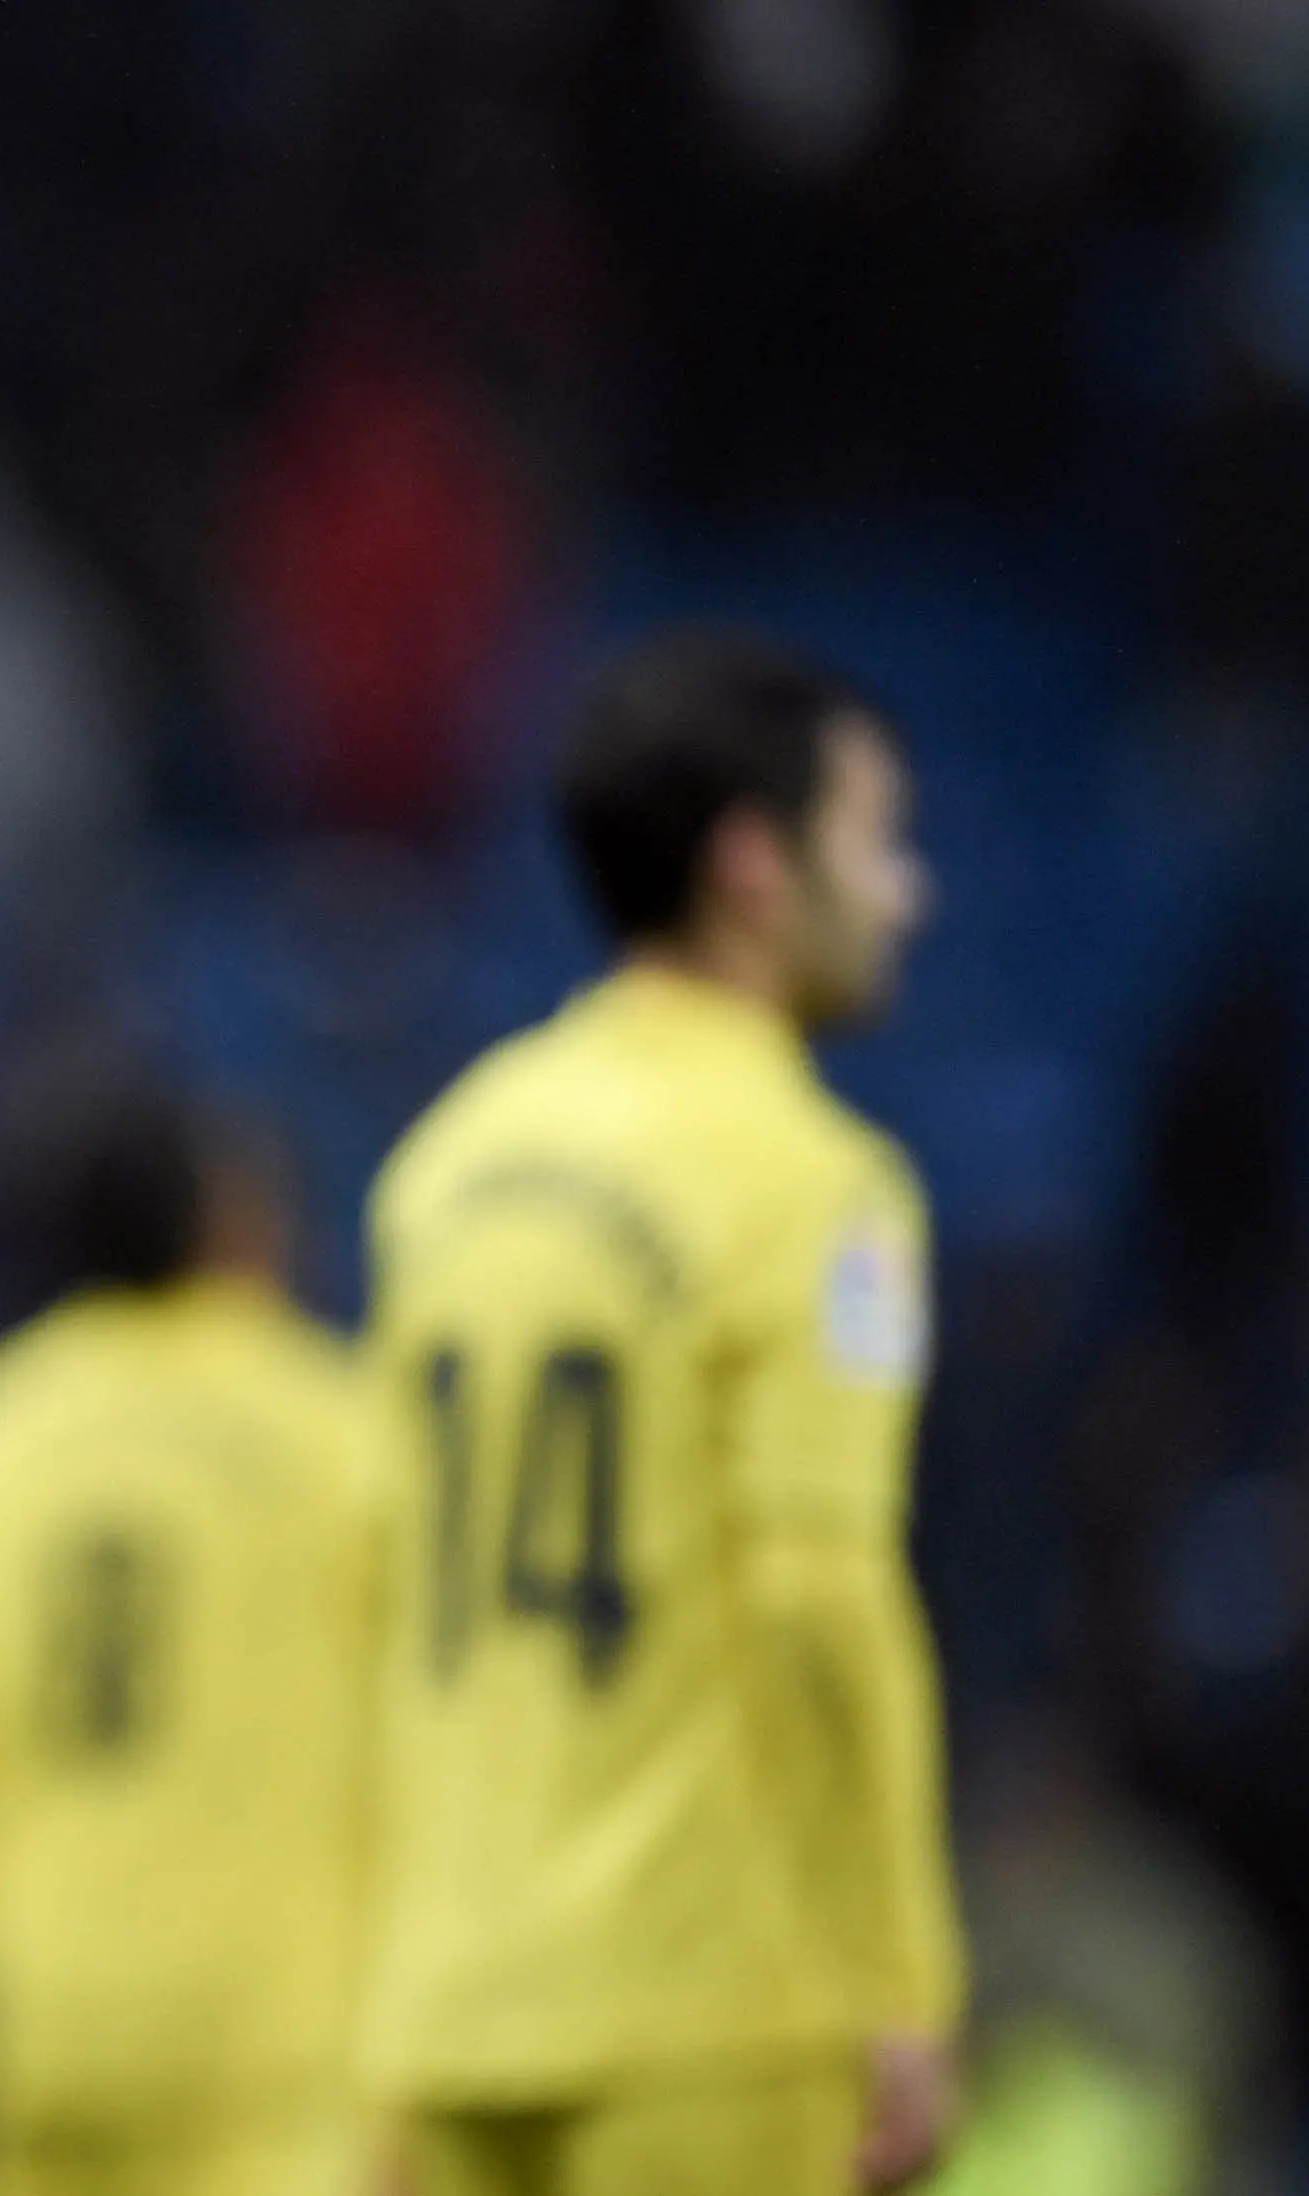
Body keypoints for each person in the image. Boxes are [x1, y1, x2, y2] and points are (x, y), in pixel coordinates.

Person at [361, 631, 961, 2195]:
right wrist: (903, 1972)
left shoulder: (443, 1165)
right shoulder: (813, 1184)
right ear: (756, 867)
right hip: (707, 2014)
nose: (910, 893)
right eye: (878, 841)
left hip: (453, 2004)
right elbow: (819, 1600)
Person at [0, 1089, 386, 2196]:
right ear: (230, 1228)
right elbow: (426, 1760)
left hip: (37, 2050)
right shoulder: (342, 1437)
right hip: (280, 2056)